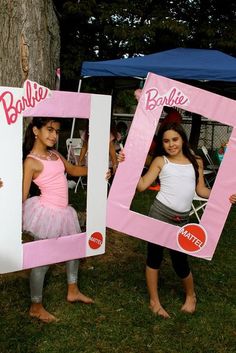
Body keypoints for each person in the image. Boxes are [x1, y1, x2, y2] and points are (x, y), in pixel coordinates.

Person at [119, 122, 211, 318]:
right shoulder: (161, 161)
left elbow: (201, 190)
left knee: (180, 260)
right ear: (162, 143)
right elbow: (142, 185)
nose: (171, 144)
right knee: (154, 257)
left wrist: (223, 195)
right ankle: (154, 302)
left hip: (182, 219)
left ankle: (191, 296)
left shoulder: (196, 161)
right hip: (159, 214)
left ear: (183, 139)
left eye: (175, 139)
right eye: (166, 141)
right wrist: (127, 166)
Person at [22, 117, 110, 323]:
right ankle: (35, 306)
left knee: (74, 250)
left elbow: (73, 170)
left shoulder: (55, 154)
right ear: (36, 130)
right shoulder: (31, 161)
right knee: (41, 261)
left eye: (57, 131)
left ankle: (73, 290)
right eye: (49, 130)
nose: (54, 135)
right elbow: (23, 195)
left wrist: (97, 172)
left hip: (64, 212)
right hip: (47, 214)